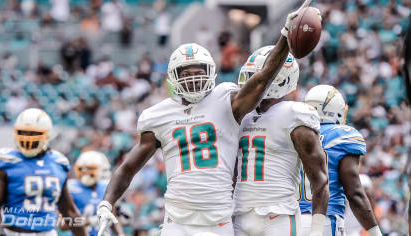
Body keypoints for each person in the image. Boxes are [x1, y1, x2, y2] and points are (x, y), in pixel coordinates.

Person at [96, 1, 315, 235]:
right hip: (176, 221)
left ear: (211, 72)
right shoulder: (157, 115)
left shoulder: (227, 102)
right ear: (173, 77)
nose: (193, 79)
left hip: (218, 221)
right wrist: (107, 201)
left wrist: (283, 37)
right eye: (186, 74)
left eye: (199, 72)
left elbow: (263, 79)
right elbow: (128, 167)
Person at [233, 46, 328, 236]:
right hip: (240, 215)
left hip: (279, 216)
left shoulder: (295, 115)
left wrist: (317, 231)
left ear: (280, 79)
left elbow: (320, 181)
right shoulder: (242, 115)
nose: (252, 82)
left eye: (257, 76)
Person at [300, 85, 382, 236]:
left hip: (290, 222)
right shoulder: (341, 136)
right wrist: (376, 233)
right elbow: (354, 194)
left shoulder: (295, 135)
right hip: (325, 219)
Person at [0, 108, 87, 236]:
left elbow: (69, 210)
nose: (27, 138)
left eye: (33, 133)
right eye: (22, 132)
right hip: (12, 232)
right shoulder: (6, 161)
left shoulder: (58, 162)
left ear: (47, 135)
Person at [59, 151, 123, 236]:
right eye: (81, 169)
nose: (86, 173)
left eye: (90, 169)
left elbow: (112, 218)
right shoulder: (71, 188)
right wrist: (90, 221)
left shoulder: (106, 187)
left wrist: (121, 234)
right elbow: (63, 225)